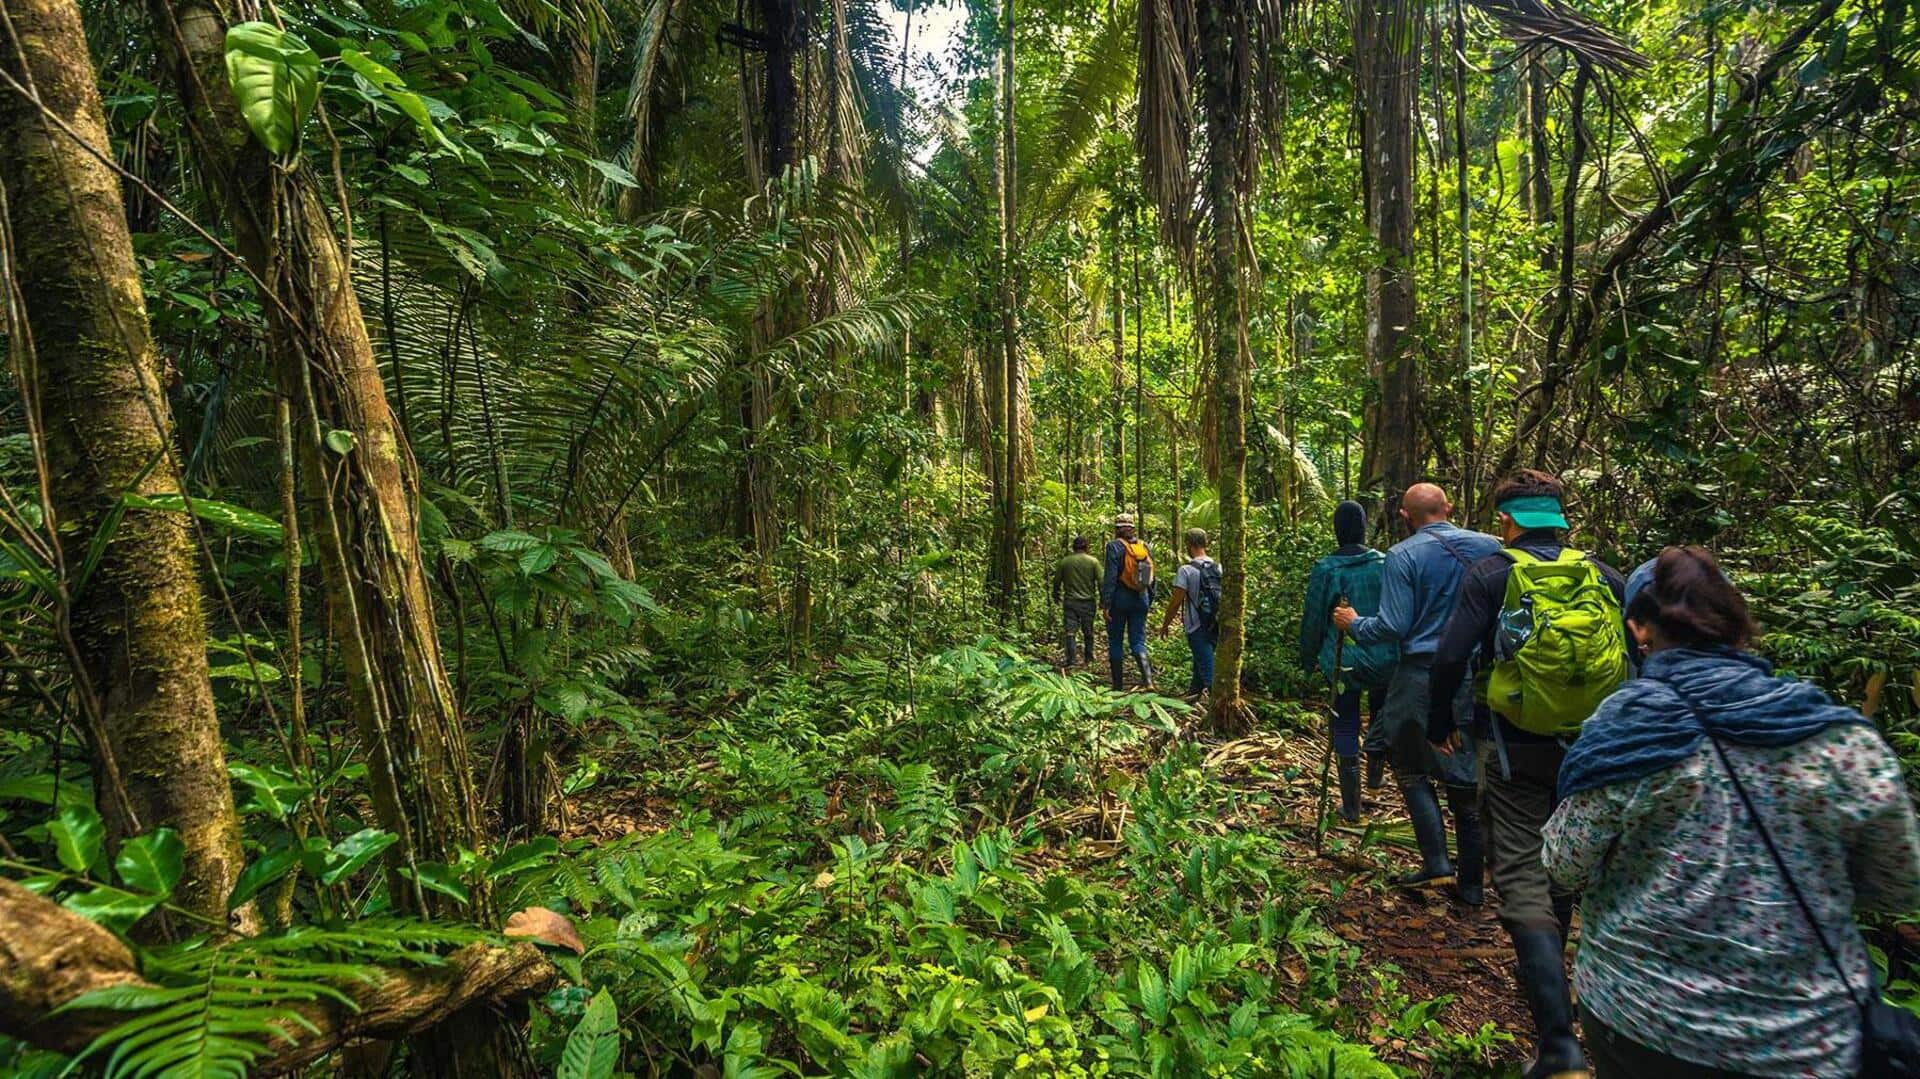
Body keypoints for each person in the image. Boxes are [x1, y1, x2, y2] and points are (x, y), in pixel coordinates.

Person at [1545, 547, 1920, 1078]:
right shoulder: (1836, 736)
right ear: (1737, 624)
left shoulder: (1626, 728)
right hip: (1804, 1037)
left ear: (1638, 628)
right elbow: (1901, 882)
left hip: (1643, 1017)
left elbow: (1564, 861)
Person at [1426, 469, 1629, 1079]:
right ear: (1562, 520)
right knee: (1566, 863)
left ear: (1508, 522)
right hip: (1592, 751)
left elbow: (1450, 655)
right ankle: (1554, 984)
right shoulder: (1606, 578)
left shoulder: (1491, 574)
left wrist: (1442, 721)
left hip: (1513, 747)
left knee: (1519, 872)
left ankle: (1558, 1045)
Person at [1331, 482, 1498, 897]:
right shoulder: (1491, 547)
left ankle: (1437, 862)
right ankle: (1473, 885)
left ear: (1404, 517)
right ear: (1450, 506)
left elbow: (1393, 626)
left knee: (1409, 765)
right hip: (1478, 677)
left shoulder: (1403, 555)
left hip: (1422, 674)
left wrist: (1353, 623)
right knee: (1465, 776)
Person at [1297, 501, 1395, 822]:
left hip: (1345, 661)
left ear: (1337, 531)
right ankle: (1376, 777)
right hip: (1384, 655)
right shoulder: (1385, 562)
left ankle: (1352, 806)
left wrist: (1308, 660)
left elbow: (1313, 620)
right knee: (1380, 712)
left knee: (1346, 723)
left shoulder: (1327, 569)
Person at [1157, 527, 1221, 699]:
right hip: (1215, 622)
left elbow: (1176, 602)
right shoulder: (1218, 567)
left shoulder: (1186, 570)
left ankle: (1218, 707)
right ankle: (1194, 694)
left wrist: (1165, 625)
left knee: (1208, 668)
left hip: (1196, 625)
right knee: (1200, 659)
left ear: (1188, 544)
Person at [1101, 512, 1154, 690]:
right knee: (1138, 641)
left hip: (1120, 599)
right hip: (1141, 598)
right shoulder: (1144, 546)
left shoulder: (1114, 546)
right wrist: (1149, 599)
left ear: (1117, 529)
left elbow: (1110, 577)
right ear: (1132, 528)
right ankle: (1148, 682)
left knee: (1116, 641)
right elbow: (1153, 577)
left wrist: (1106, 604)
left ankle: (1117, 686)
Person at [1051, 536, 1102, 669]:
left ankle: (1072, 660)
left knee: (1070, 632)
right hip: (1088, 602)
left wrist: (1055, 595)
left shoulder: (1065, 562)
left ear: (1073, 547)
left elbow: (1056, 581)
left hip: (1070, 602)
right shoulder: (1093, 562)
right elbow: (1101, 582)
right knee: (1088, 631)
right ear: (1086, 547)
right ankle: (1089, 658)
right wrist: (1104, 600)